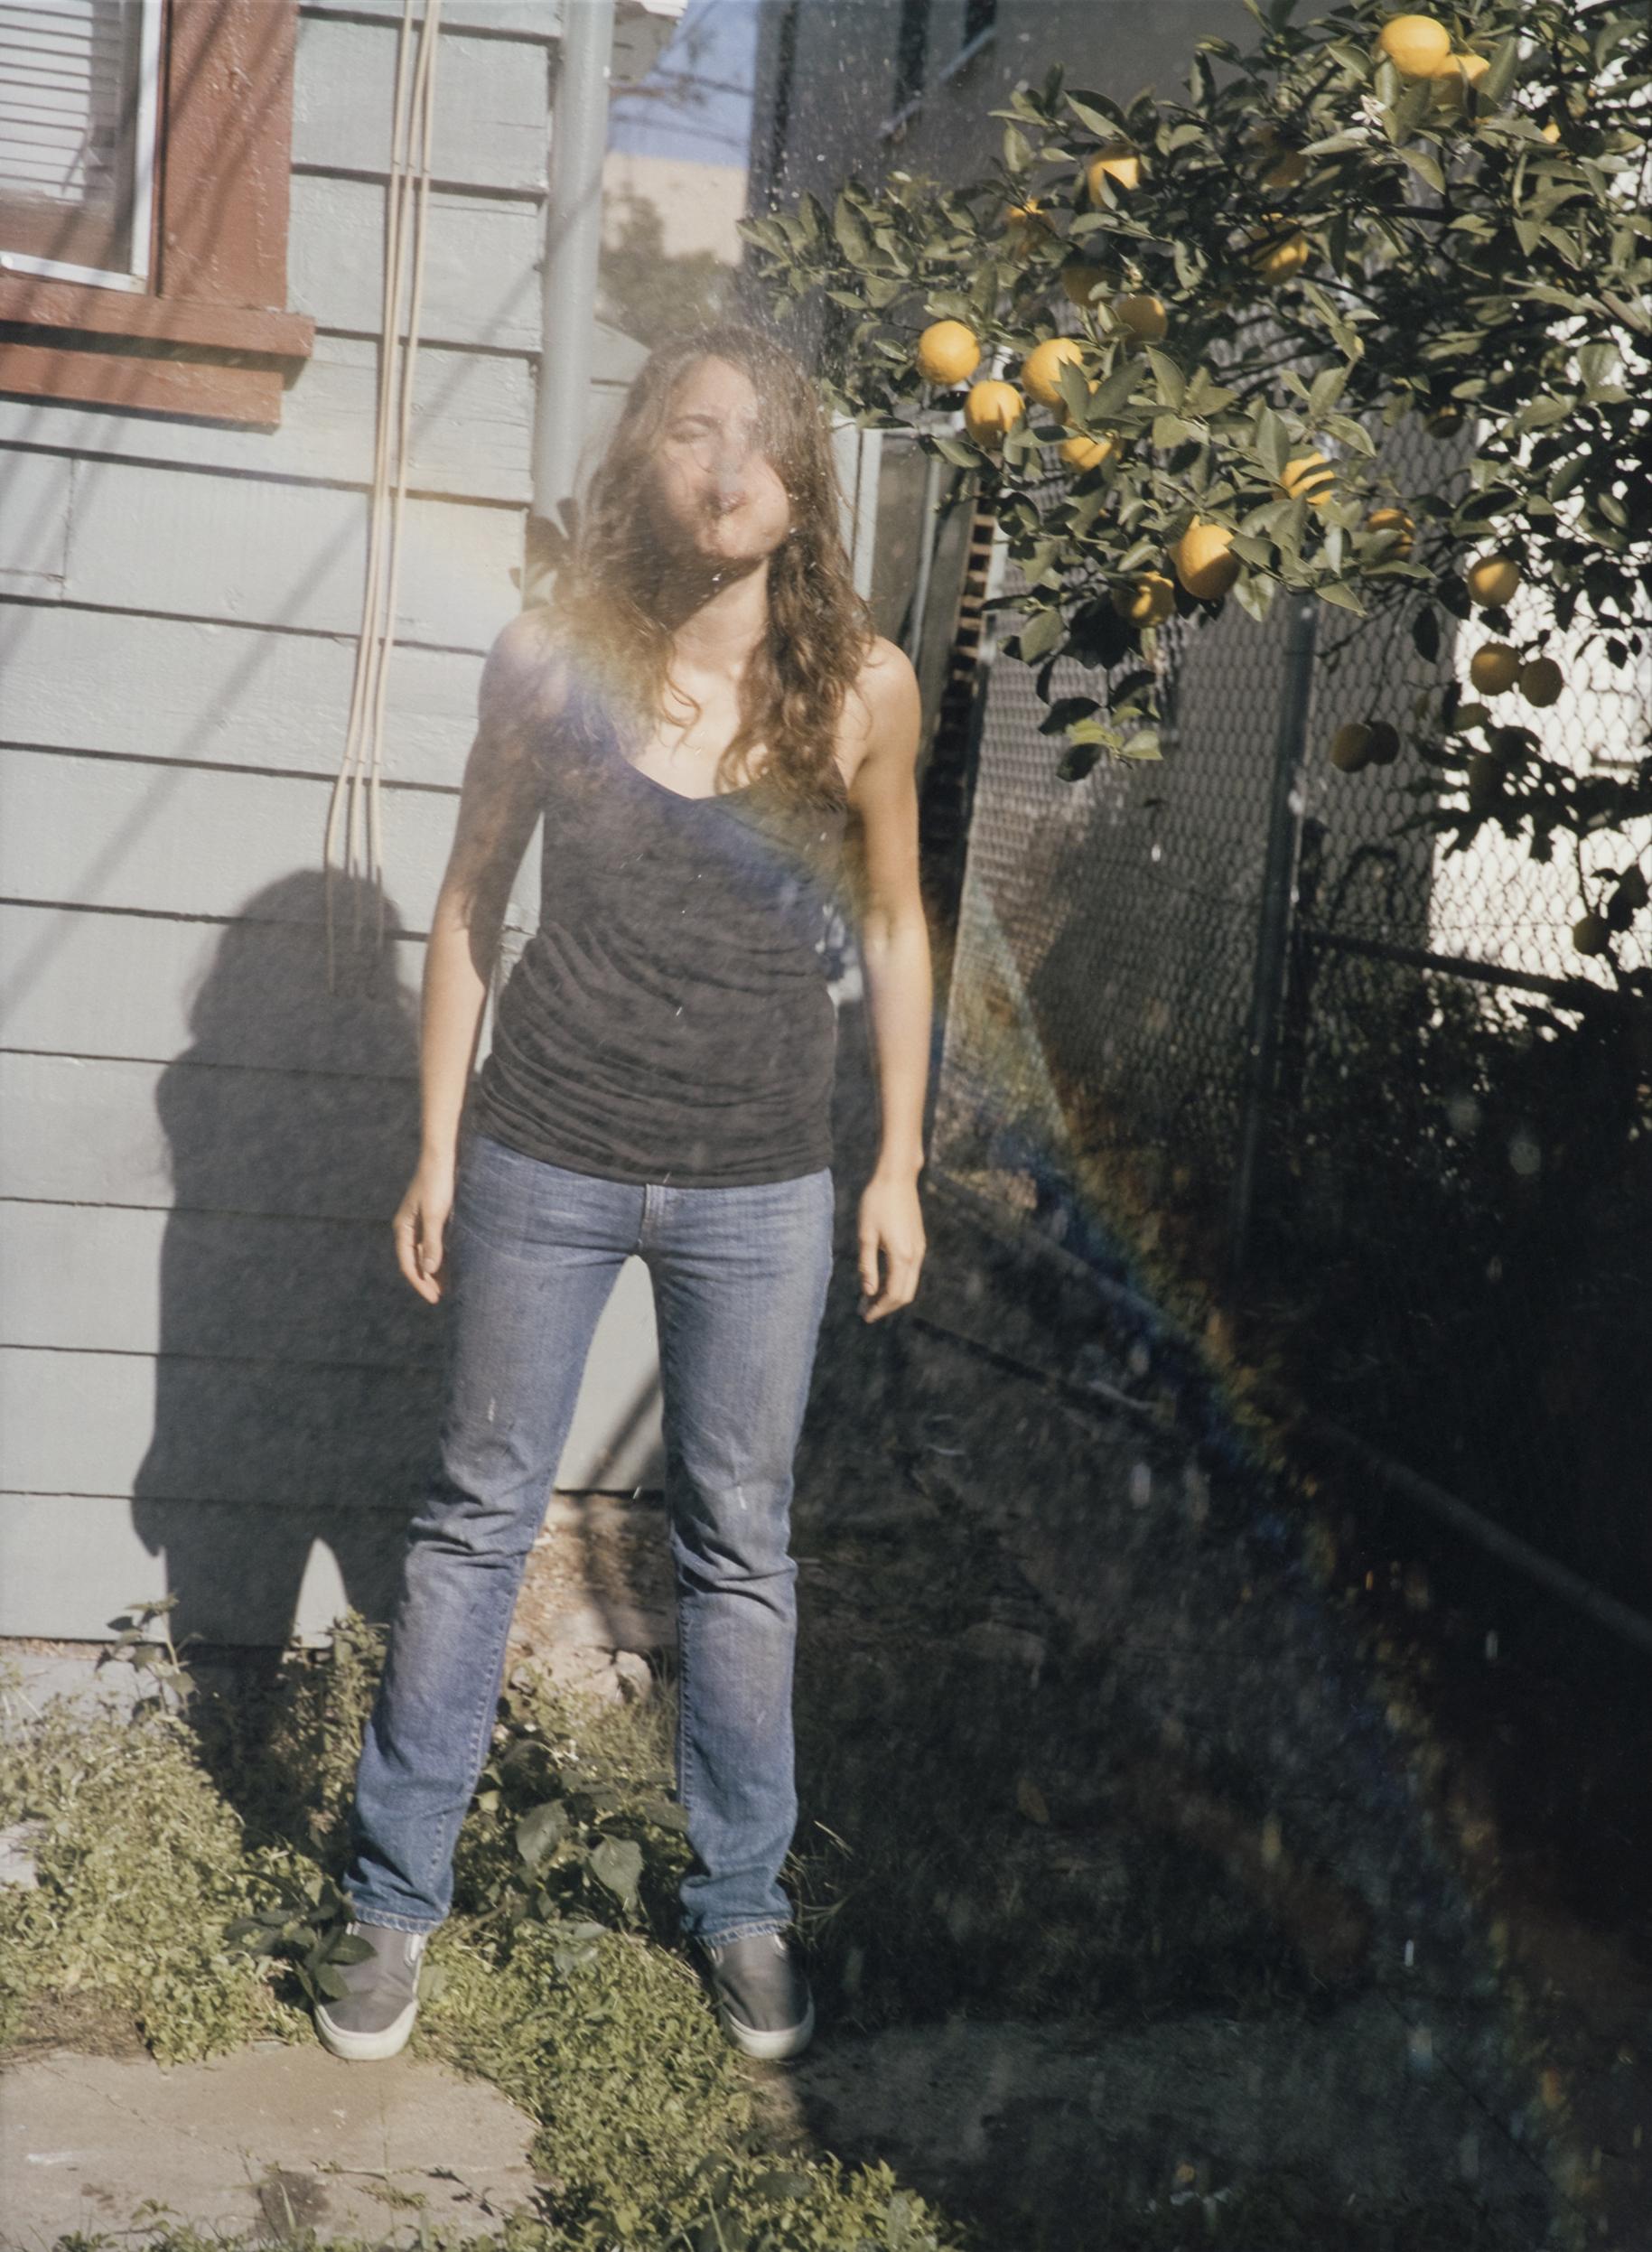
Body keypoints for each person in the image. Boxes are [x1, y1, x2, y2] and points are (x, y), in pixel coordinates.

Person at [315, 326, 931, 2067]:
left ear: (804, 484)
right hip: (544, 1152)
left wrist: (895, 1159)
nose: (727, 469)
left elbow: (893, 923)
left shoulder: (860, 689)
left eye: (763, 443)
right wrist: (438, 1142)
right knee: (476, 1517)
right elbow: (463, 902)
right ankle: (388, 1903)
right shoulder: (548, 659)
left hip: (760, 1184)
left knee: (739, 1546)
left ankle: (740, 1906)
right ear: (642, 463)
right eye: (691, 433)